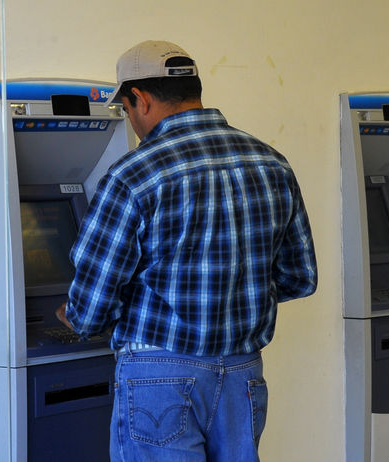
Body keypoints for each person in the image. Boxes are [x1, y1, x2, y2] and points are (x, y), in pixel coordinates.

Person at [56, 40, 317, 462]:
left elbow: (90, 310)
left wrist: (75, 314)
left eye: (126, 109)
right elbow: (298, 277)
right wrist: (232, 293)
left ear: (140, 99)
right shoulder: (272, 163)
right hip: (243, 374)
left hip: (159, 377)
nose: (131, 120)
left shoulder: (134, 175)